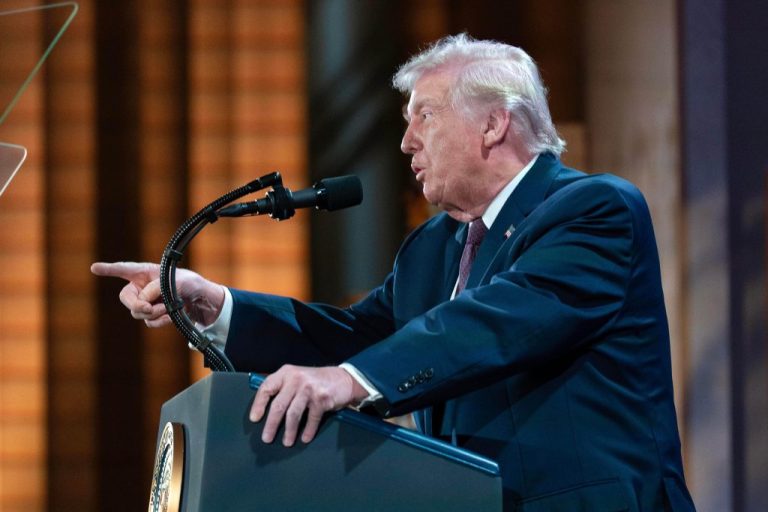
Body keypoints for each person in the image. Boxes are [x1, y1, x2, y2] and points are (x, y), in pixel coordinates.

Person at [92, 34, 696, 511]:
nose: (406, 143)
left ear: (493, 124)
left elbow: (500, 321)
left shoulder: (593, 210)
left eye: (424, 118)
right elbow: (360, 340)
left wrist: (349, 381)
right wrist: (218, 306)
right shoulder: (434, 246)